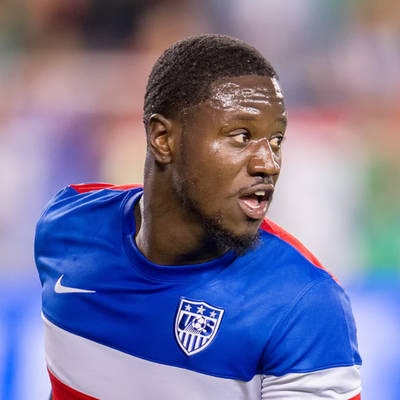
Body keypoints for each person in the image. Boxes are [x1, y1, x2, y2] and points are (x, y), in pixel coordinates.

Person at [35, 34, 362, 400]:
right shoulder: (66, 228)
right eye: (242, 136)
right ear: (163, 139)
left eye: (276, 140)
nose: (268, 164)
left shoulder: (304, 304)